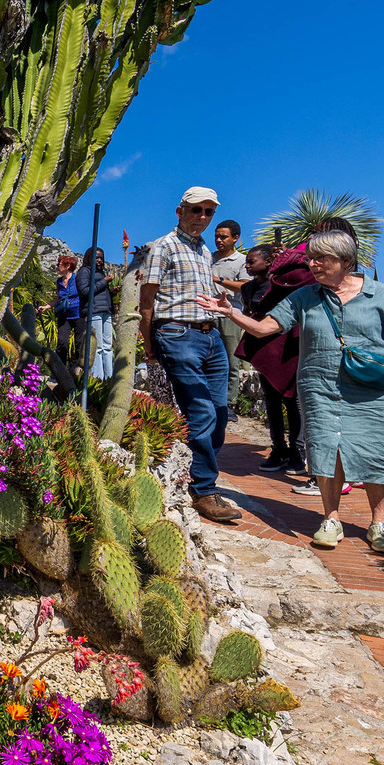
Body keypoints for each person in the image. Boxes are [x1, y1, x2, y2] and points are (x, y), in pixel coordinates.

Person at [206, 226, 384, 554]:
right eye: (311, 259)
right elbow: (265, 328)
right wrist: (232, 313)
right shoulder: (304, 296)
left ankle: (379, 523)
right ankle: (331, 519)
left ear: (344, 260)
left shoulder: (379, 294)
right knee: (327, 450)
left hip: (374, 390)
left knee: (376, 452)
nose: (312, 265)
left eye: (320, 259)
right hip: (319, 388)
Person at [140, 186, 242, 523]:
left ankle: (199, 478)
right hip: (177, 333)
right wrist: (148, 341)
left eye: (208, 212)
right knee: (201, 411)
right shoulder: (163, 247)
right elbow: (147, 300)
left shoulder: (202, 251)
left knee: (221, 411)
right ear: (180, 210)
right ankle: (203, 488)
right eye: (197, 210)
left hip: (209, 334)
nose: (202, 217)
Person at [237, 240, 306, 469]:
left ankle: (297, 452)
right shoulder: (247, 289)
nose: (247, 265)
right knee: (272, 401)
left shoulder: (283, 283)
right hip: (263, 345)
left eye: (252, 261)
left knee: (292, 401)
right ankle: (278, 448)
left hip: (287, 345)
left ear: (268, 261)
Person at [211, 219, 247, 376]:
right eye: (217, 236)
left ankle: (231, 400)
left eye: (223, 237)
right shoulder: (207, 258)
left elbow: (244, 286)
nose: (219, 240)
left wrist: (218, 280)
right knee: (209, 360)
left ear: (235, 238)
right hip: (208, 313)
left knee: (231, 362)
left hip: (231, 315)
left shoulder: (242, 261)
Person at [73, 246, 115, 382]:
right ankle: (98, 378)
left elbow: (100, 291)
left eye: (101, 258)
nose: (99, 260)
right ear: (89, 258)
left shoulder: (101, 273)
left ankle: (110, 378)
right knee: (97, 347)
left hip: (106, 311)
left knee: (108, 346)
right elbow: (84, 291)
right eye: (96, 257)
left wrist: (112, 292)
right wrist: (105, 282)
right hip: (94, 312)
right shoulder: (84, 272)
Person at [54, 254, 80, 366]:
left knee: (80, 343)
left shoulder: (77, 279)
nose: (56, 267)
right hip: (64, 316)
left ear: (67, 266)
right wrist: (46, 307)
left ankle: (79, 370)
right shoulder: (59, 281)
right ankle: (61, 370)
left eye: (58, 265)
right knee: (62, 342)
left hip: (78, 315)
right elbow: (57, 299)